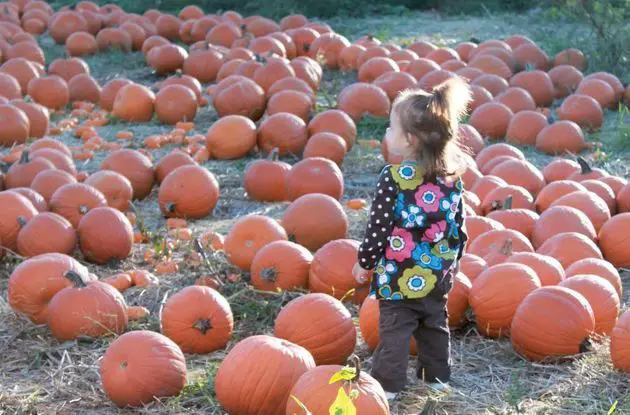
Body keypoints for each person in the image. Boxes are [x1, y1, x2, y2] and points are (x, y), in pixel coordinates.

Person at [352, 77, 471, 400]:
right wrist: (452, 263)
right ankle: (437, 379)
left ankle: (388, 387)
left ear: (409, 139)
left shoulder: (393, 179)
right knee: (434, 326)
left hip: (399, 275)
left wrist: (364, 263)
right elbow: (459, 228)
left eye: (390, 129)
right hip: (436, 274)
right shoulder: (452, 180)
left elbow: (378, 229)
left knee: (395, 330)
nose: (386, 135)